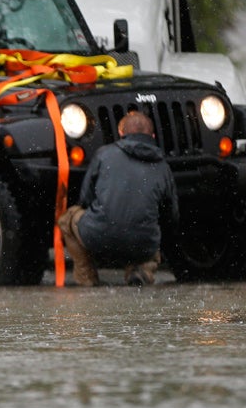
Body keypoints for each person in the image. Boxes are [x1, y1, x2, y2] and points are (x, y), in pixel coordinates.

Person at [57, 110, 177, 287]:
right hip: (142, 244)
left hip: (99, 236)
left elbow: (85, 198)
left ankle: (87, 276)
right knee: (150, 237)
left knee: (67, 219)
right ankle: (141, 271)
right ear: (152, 136)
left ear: (121, 133)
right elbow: (171, 215)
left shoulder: (104, 154)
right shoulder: (163, 166)